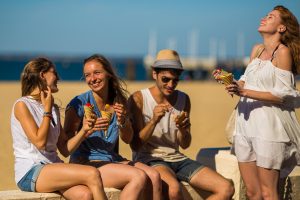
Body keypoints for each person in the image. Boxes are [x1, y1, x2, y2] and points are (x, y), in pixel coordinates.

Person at [128, 49, 234, 200]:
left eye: (175, 80)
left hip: (178, 159)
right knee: (174, 190)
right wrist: (153, 121)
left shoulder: (184, 99)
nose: (171, 85)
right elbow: (135, 145)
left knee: (226, 188)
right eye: (165, 79)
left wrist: (183, 131)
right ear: (154, 74)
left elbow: (185, 144)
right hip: (150, 159)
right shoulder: (139, 98)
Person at [225, 5, 300, 200]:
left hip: (269, 129)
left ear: (281, 28)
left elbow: (284, 95)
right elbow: (246, 80)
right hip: (245, 124)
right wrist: (232, 83)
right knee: (252, 193)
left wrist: (244, 91)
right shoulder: (257, 50)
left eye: (271, 16)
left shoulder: (283, 53)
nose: (264, 18)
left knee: (268, 193)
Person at [64, 54, 162, 200]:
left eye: (97, 73)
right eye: (87, 75)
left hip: (111, 159)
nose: (92, 79)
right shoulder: (78, 104)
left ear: (108, 74)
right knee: (138, 177)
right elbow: (66, 147)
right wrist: (86, 130)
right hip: (86, 162)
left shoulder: (118, 101)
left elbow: (128, 139)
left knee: (154, 176)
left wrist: (123, 121)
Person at [11, 57, 107, 200]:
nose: (59, 78)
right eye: (54, 73)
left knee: (85, 195)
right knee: (92, 173)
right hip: (30, 171)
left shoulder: (53, 109)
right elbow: (39, 142)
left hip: (52, 167)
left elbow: (64, 149)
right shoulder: (22, 105)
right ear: (43, 75)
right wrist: (47, 110)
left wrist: (84, 131)